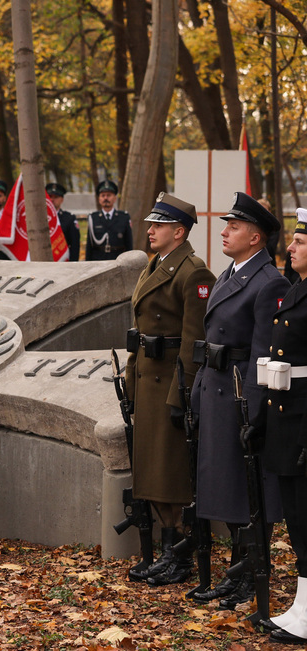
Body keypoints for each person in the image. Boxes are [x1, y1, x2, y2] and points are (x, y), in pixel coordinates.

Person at [189, 192, 287, 607]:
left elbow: (265, 351)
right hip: (215, 389)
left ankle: (252, 572)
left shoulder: (268, 281)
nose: (224, 232)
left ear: (256, 238)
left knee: (249, 491)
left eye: (234, 227)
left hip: (239, 395)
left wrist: (253, 409)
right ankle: (236, 570)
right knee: (224, 487)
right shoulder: (231, 272)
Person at [125, 192, 215, 585]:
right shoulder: (156, 265)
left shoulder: (193, 272)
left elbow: (195, 341)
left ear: (179, 232)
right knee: (152, 470)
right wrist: (131, 383)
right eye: (151, 224)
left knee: (170, 473)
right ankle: (167, 550)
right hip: (147, 378)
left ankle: (178, 554)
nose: (150, 230)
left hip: (169, 384)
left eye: (158, 225)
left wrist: (182, 395)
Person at [261, 208, 307, 643]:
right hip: (287, 417)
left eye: (300, 242)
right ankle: (302, 604)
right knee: (297, 516)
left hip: (302, 422)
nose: (290, 247)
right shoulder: (299, 289)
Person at [86, 179, 133, 261]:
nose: (105, 198)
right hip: (98, 261)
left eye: (109, 195)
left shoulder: (124, 217)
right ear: (99, 199)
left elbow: (129, 244)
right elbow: (89, 245)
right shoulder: (93, 218)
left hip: (118, 260)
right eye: (103, 195)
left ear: (115, 198)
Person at [47, 182, 79, 262]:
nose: (52, 199)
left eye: (56, 197)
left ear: (62, 199)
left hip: (63, 261)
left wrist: (72, 266)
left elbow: (75, 245)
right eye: (50, 196)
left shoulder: (69, 218)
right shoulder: (39, 218)